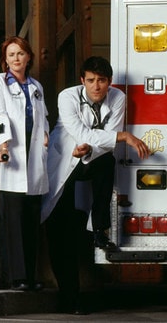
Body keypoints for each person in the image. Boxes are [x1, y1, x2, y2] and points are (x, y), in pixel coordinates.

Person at [41, 56, 150, 313]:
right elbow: (82, 133)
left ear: (109, 82)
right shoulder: (68, 96)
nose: (96, 86)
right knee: (62, 233)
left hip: (91, 161)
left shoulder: (118, 98)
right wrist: (123, 136)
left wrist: (95, 145)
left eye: (102, 80)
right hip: (63, 166)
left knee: (106, 162)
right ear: (82, 81)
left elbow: (102, 143)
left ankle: (101, 228)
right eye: (90, 80)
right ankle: (70, 300)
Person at [0, 36, 49, 291]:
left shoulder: (36, 87)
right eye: (11, 55)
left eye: (20, 53)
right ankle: (16, 276)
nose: (16, 59)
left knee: (32, 217)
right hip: (10, 155)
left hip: (33, 157)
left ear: (28, 57)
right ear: (5, 60)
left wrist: (45, 135)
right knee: (14, 219)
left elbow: (43, 116)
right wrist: (3, 144)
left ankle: (30, 275)